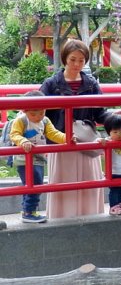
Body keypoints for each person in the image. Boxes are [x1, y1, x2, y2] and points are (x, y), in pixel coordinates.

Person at [40, 38, 108, 219]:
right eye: (73, 59)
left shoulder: (91, 83)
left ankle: (92, 217)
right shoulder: (51, 84)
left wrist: (115, 119)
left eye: (81, 60)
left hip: (86, 139)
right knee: (63, 182)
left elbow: (100, 113)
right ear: (64, 59)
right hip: (61, 140)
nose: (77, 64)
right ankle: (61, 219)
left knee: (89, 181)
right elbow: (39, 112)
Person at [8, 91, 66, 223]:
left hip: (38, 157)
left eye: (41, 112)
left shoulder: (45, 121)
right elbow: (14, 135)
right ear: (25, 110)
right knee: (35, 184)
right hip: (24, 158)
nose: (38, 117)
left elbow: (53, 133)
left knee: (34, 183)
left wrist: (66, 138)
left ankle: (28, 210)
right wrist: (23, 141)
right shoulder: (21, 120)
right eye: (33, 114)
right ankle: (29, 211)